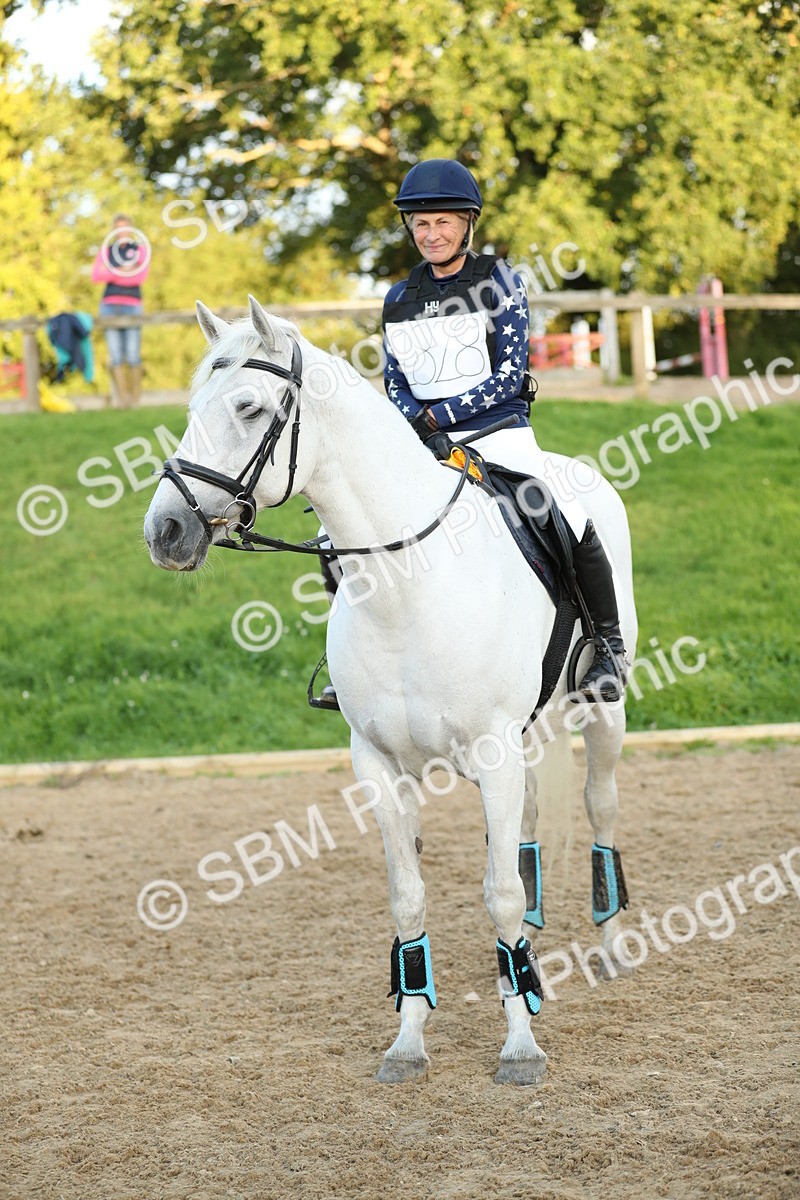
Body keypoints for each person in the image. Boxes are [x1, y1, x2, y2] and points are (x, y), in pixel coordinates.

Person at [316, 159, 627, 711]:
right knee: (337, 534)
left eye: (443, 222)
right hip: (423, 447)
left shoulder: (499, 281)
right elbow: (394, 380)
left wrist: (438, 419)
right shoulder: (398, 298)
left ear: (467, 224)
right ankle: (357, 666)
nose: (431, 234)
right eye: (421, 224)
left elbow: (509, 374)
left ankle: (605, 643)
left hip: (499, 433)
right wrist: (416, 423)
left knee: (566, 509)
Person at [92, 214, 150, 407]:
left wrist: (114, 274)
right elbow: (96, 275)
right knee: (115, 355)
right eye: (118, 228)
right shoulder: (106, 251)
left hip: (132, 305)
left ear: (130, 229)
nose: (122, 232)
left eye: (125, 227)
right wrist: (123, 271)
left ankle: (135, 401)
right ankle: (122, 401)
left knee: (133, 354)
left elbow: (139, 277)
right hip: (109, 305)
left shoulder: (140, 250)